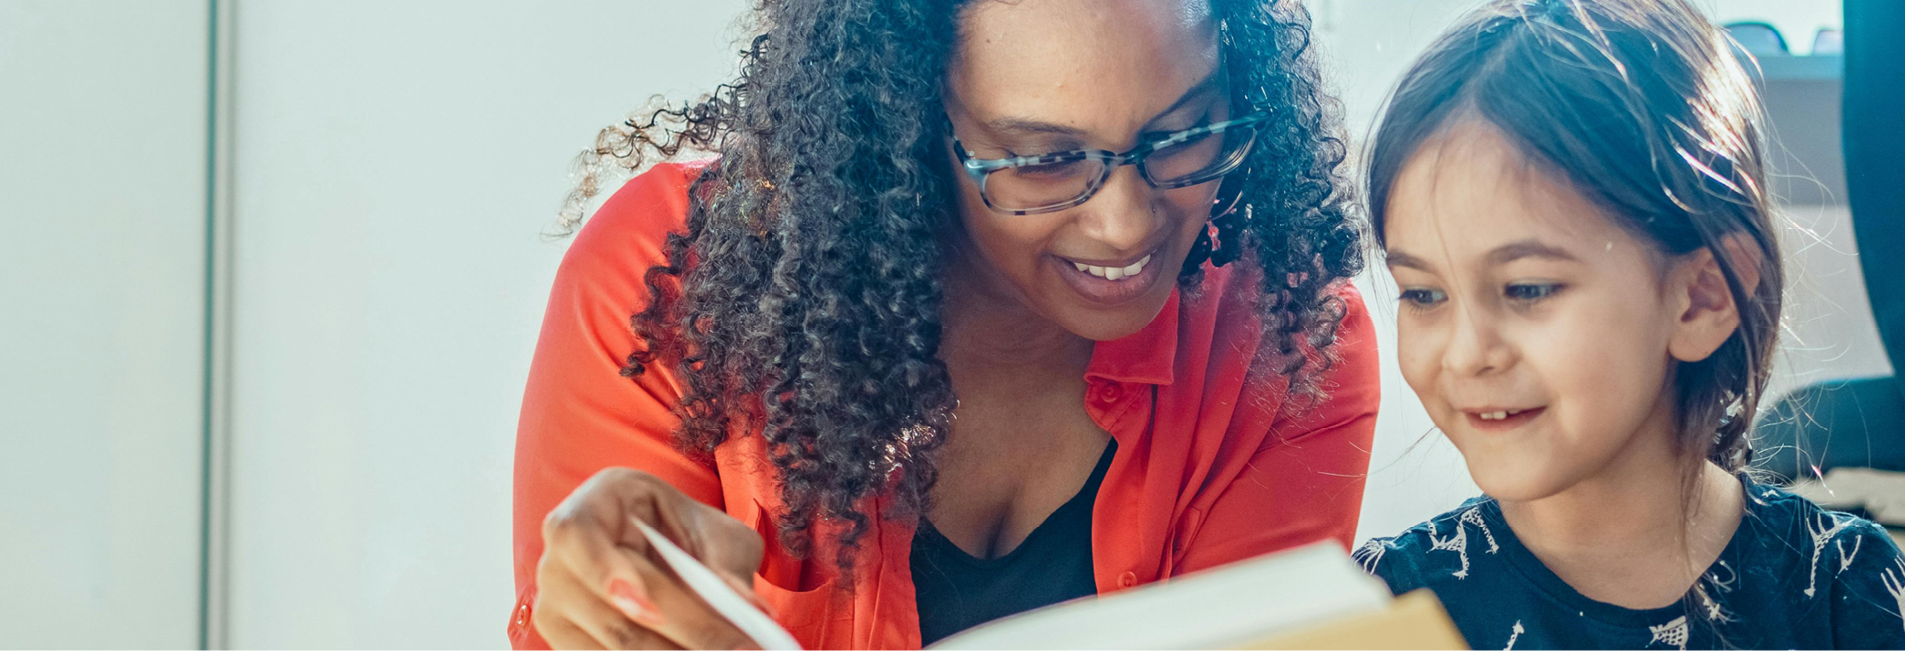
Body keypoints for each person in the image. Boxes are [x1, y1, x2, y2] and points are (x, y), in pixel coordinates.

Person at [508, 1, 1378, 649]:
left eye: (1185, 135)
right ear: (909, 123)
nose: (1125, 224)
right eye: (1043, 158)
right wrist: (600, 607)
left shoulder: (1288, 341)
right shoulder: (677, 284)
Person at [1352, 0, 1905, 649]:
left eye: (1526, 288)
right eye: (1422, 294)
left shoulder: (1848, 587)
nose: (1466, 353)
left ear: (1701, 297)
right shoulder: (1384, 610)